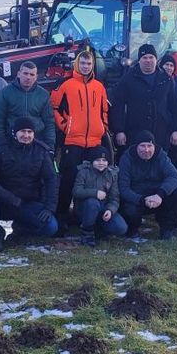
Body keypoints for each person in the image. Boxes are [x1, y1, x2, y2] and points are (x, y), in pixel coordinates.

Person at [0, 117, 59, 252]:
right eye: (22, 131)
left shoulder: (41, 151)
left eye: (29, 132)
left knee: (51, 227)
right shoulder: (0, 149)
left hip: (27, 204)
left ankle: (20, 230)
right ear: (15, 133)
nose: (26, 135)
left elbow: (51, 179)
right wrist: (10, 198)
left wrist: (50, 208)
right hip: (2, 202)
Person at [50, 48, 109, 228]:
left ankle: (86, 217)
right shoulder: (66, 84)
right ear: (77, 64)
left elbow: (104, 110)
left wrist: (103, 127)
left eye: (89, 64)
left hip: (94, 142)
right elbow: (53, 107)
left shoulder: (99, 86)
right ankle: (62, 217)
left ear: (93, 65)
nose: (85, 66)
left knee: (91, 181)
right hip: (73, 141)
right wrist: (65, 126)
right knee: (69, 179)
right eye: (82, 63)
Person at [110, 44, 177, 154]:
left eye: (151, 57)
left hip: (161, 134)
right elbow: (118, 105)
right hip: (134, 134)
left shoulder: (166, 79)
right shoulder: (128, 79)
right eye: (144, 58)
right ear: (139, 60)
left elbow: (176, 106)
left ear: (156, 59)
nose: (148, 61)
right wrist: (119, 130)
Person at [118, 130, 177, 240]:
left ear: (154, 146)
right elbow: (123, 189)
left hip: (157, 195)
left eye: (149, 145)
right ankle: (132, 230)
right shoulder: (126, 158)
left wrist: (160, 195)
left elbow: (175, 177)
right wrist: (142, 200)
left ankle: (167, 229)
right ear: (136, 146)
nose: (146, 150)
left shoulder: (161, 155)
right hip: (137, 197)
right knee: (129, 208)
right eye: (142, 146)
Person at [0, 60, 56, 149]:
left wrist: (50, 146)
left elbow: (49, 122)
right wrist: (2, 145)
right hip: (12, 144)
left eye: (32, 74)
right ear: (18, 74)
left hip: (37, 144)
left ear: (36, 77)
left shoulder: (43, 95)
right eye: (25, 73)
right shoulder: (6, 93)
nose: (28, 77)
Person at [72, 146, 127, 246]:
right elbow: (76, 191)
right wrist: (95, 193)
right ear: (92, 161)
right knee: (92, 203)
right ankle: (87, 232)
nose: (101, 163)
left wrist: (110, 210)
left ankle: (99, 229)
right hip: (86, 208)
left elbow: (114, 198)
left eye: (104, 160)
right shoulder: (83, 172)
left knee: (121, 228)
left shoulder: (112, 174)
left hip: (103, 207)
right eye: (97, 160)